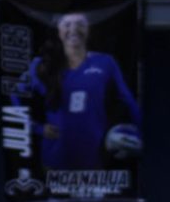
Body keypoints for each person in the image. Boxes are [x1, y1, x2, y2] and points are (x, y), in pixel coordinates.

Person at [13, 11, 142, 169]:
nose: (74, 29)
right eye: (67, 25)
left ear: (88, 30)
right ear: (59, 31)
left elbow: (128, 99)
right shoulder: (41, 64)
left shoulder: (105, 62)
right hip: (55, 156)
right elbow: (14, 93)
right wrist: (36, 127)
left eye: (80, 24)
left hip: (94, 154)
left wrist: (141, 131)